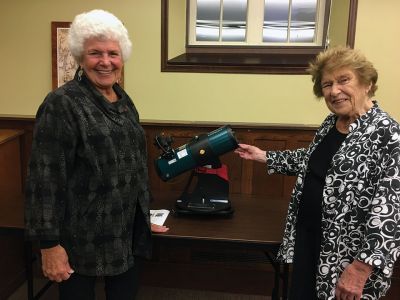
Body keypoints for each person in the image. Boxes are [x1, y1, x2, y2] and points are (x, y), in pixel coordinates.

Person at [235, 46, 400, 300]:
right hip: (311, 239)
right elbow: (312, 160)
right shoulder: (331, 124)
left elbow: (390, 211)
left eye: (344, 80)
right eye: (327, 84)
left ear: (366, 83)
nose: (334, 91)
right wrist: (264, 156)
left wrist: (360, 268)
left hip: (347, 255)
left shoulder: (389, 135)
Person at [24, 9, 168, 300]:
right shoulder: (62, 104)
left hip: (125, 231)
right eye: (95, 53)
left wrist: (143, 218)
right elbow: (44, 178)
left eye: (113, 53)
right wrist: (49, 245)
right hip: (79, 235)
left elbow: (134, 165)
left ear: (122, 57)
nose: (105, 62)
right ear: (79, 56)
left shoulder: (123, 100)